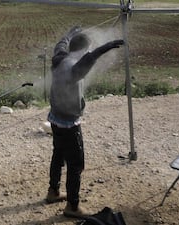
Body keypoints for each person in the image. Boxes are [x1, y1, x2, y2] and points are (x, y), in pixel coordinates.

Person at [46, 26, 124, 218]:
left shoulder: (59, 58)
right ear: (81, 50)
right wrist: (105, 47)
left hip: (55, 118)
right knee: (75, 165)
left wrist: (70, 33)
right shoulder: (74, 69)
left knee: (58, 154)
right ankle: (72, 207)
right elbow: (90, 58)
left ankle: (53, 192)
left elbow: (61, 44)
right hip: (69, 123)